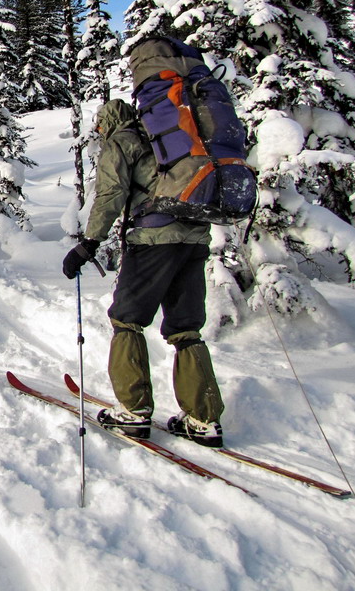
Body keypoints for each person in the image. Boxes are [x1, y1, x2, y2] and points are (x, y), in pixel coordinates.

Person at [62, 97, 225, 447]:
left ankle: (133, 413)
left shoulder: (122, 142)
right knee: (185, 328)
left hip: (153, 240)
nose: (100, 132)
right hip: (195, 239)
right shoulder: (165, 140)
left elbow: (110, 193)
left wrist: (89, 243)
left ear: (107, 123)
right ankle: (203, 418)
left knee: (127, 319)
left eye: (100, 126)